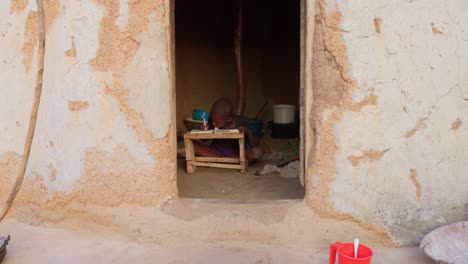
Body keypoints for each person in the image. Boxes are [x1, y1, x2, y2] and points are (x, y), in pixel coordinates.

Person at [193, 98, 263, 162]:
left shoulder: (241, 122)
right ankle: (227, 161)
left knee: (256, 152)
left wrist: (249, 132)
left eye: (216, 122)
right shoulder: (213, 121)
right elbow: (204, 140)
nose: (213, 124)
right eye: (212, 121)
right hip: (215, 152)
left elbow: (254, 144)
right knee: (193, 145)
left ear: (229, 119)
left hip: (237, 154)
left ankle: (221, 160)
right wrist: (204, 131)